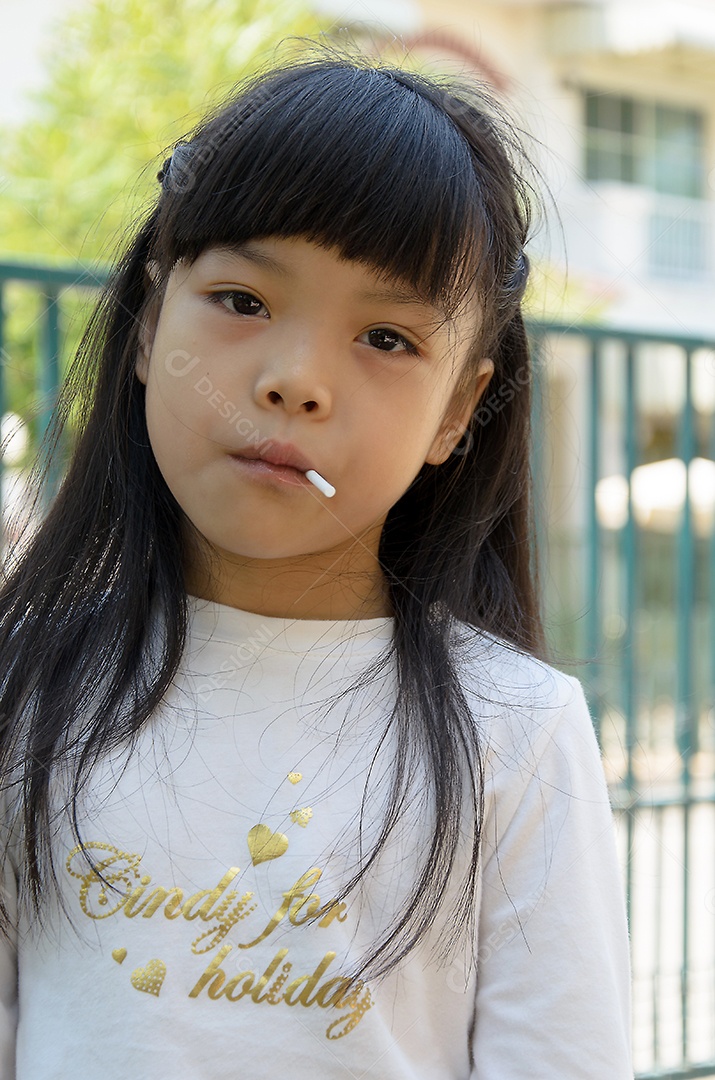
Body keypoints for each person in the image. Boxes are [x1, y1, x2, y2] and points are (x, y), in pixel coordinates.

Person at [0, 50, 633, 1078]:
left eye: (385, 336)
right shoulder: (22, 690)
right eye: (244, 302)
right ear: (152, 324)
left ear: (458, 411)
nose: (296, 380)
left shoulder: (514, 735)